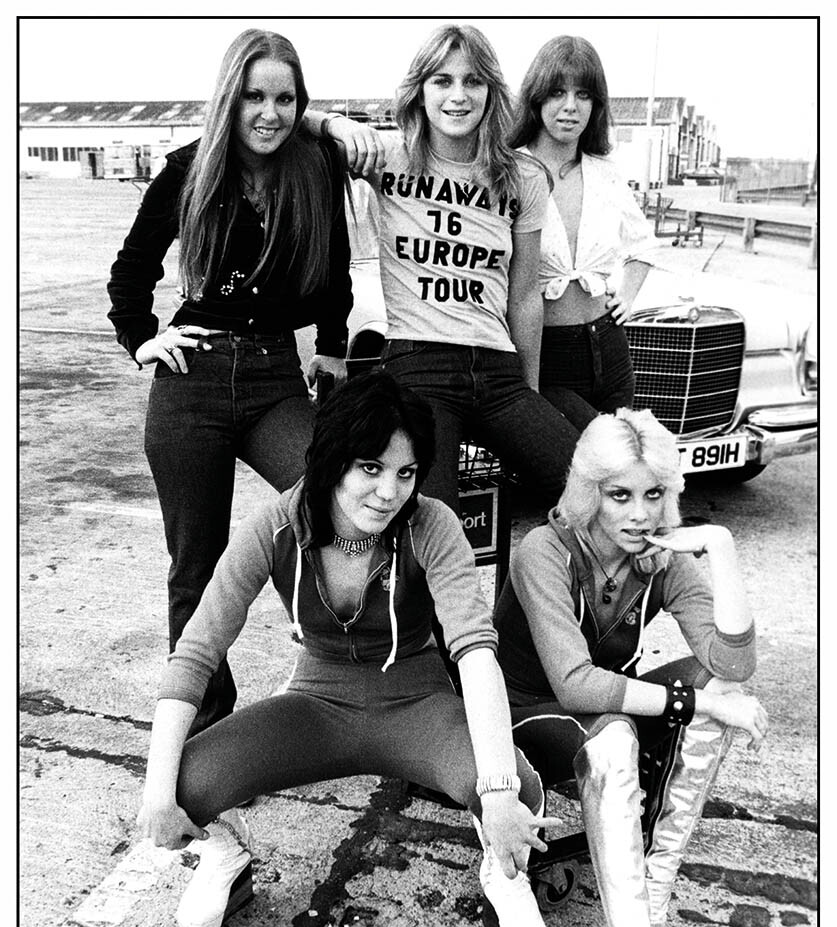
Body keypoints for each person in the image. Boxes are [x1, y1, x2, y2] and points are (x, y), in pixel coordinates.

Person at [137, 371, 560, 927]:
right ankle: (227, 853)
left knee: (519, 784)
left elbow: (475, 652)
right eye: (371, 467)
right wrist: (156, 791)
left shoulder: (433, 524)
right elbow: (197, 651)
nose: (390, 492)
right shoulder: (276, 525)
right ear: (333, 458)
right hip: (317, 703)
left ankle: (505, 873)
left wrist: (496, 793)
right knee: (182, 782)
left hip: (415, 699)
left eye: (406, 473)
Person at [493, 408, 768, 927]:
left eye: (654, 494)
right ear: (588, 490)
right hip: (519, 717)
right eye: (620, 495)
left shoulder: (661, 556)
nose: (639, 514)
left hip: (602, 710)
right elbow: (573, 684)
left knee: (720, 692)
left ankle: (648, 920)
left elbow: (733, 662)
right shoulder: (543, 550)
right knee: (621, 735)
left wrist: (719, 547)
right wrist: (691, 701)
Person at [107, 29, 352, 734]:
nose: (269, 113)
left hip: (275, 377)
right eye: (253, 97)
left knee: (333, 503)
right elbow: (132, 270)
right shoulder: (189, 169)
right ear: (229, 99)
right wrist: (142, 339)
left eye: (284, 98)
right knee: (196, 564)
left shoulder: (315, 167)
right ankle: (207, 724)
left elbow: (334, 269)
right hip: (194, 379)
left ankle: (334, 670)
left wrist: (332, 348)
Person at [312, 24, 590, 512]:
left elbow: (525, 296)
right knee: (432, 521)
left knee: (589, 494)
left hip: (498, 370)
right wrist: (337, 124)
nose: (458, 96)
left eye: (473, 81)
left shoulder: (523, 176)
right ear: (420, 91)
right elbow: (293, 117)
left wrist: (529, 397)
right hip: (419, 365)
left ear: (491, 91)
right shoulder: (388, 157)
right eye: (442, 81)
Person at [509, 36, 658, 425]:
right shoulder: (510, 171)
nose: (571, 106)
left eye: (584, 94)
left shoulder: (606, 172)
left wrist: (627, 297)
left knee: (619, 457)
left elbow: (643, 246)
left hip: (609, 347)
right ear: (536, 97)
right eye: (557, 92)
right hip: (545, 355)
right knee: (570, 457)